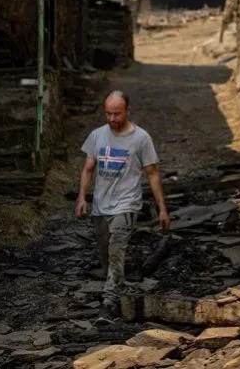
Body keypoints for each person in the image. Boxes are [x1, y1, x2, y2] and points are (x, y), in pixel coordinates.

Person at [75, 90, 171, 323]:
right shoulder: (97, 136)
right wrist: (81, 198)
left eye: (117, 114)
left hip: (127, 204)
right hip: (101, 205)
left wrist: (162, 209)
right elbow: (88, 168)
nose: (112, 119)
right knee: (106, 254)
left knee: (117, 249)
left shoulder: (141, 139)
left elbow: (153, 174)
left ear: (128, 111)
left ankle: (108, 304)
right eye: (108, 113)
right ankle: (118, 287)